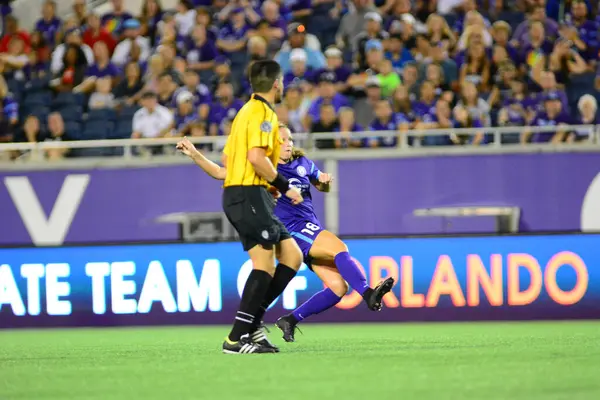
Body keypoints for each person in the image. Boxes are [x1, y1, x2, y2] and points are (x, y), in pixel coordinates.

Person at [177, 124, 396, 343]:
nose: (288, 143)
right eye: (282, 140)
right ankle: (368, 294)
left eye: (290, 139)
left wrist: (326, 182)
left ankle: (290, 320)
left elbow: (321, 185)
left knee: (339, 287)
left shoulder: (303, 163)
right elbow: (220, 173)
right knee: (339, 248)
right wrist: (195, 154)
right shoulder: (263, 168)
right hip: (293, 229)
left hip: (309, 226)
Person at [179, 60, 304, 355]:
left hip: (246, 194)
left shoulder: (243, 114)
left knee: (292, 255)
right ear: (277, 83)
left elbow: (225, 170)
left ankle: (253, 326)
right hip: (248, 195)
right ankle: (236, 339)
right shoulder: (263, 113)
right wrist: (286, 188)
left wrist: (196, 155)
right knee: (264, 265)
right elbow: (256, 158)